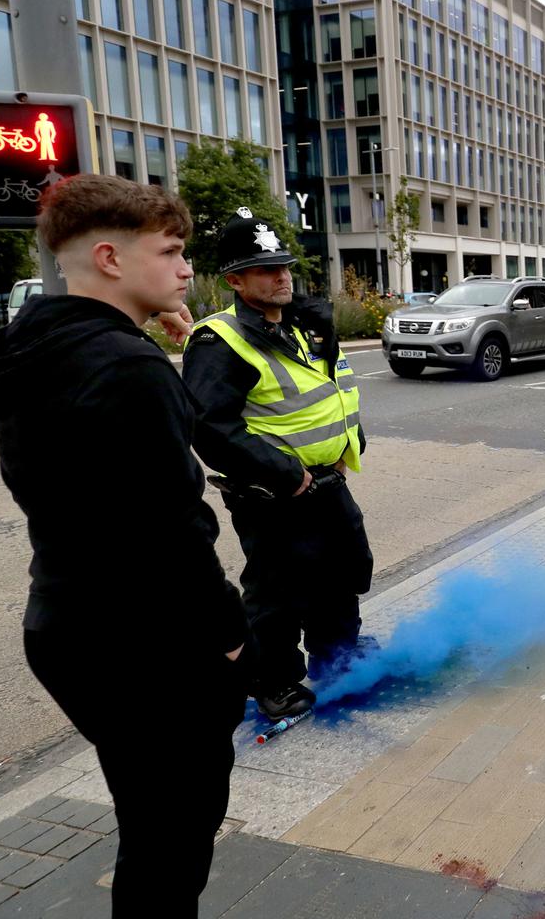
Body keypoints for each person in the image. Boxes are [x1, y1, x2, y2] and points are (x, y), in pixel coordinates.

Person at [0, 176, 248, 915]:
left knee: (150, 823)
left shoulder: (37, 351)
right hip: (145, 638)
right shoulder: (126, 366)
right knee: (173, 838)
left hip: (67, 620)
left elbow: (98, 482)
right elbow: (171, 524)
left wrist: (158, 354)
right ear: (111, 260)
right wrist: (228, 636)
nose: (187, 269)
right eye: (173, 251)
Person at [184, 209, 373, 721]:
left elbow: (330, 390)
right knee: (278, 593)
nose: (281, 275)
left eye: (283, 265)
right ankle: (273, 682)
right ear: (234, 280)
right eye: (265, 269)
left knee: (341, 576)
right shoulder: (218, 340)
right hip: (276, 496)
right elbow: (212, 428)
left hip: (328, 482)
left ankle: (337, 659)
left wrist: (341, 449)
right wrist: (289, 476)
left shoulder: (304, 324)